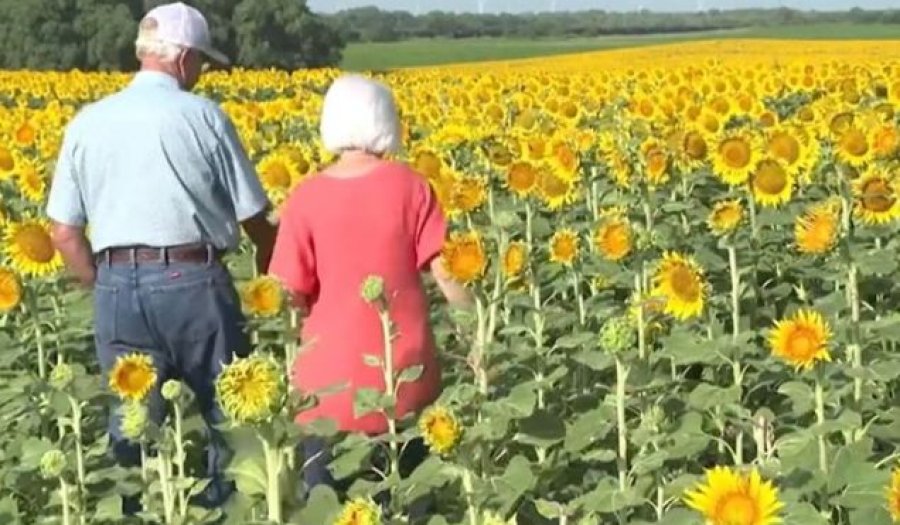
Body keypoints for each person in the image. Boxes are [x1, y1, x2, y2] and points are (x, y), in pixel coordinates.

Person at [45, 1, 276, 514]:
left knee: (132, 422)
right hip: (192, 279)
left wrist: (98, 283)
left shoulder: (88, 121)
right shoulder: (202, 116)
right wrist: (270, 260)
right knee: (231, 410)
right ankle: (227, 510)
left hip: (115, 284)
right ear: (183, 58)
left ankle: (137, 511)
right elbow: (254, 213)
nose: (202, 73)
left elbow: (63, 232)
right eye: (202, 63)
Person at [267, 74, 471, 515]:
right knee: (410, 498)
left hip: (327, 388)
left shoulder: (305, 197)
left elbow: (286, 293)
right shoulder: (413, 187)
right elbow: (447, 272)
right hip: (404, 378)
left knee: (330, 508)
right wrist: (475, 331)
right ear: (387, 122)